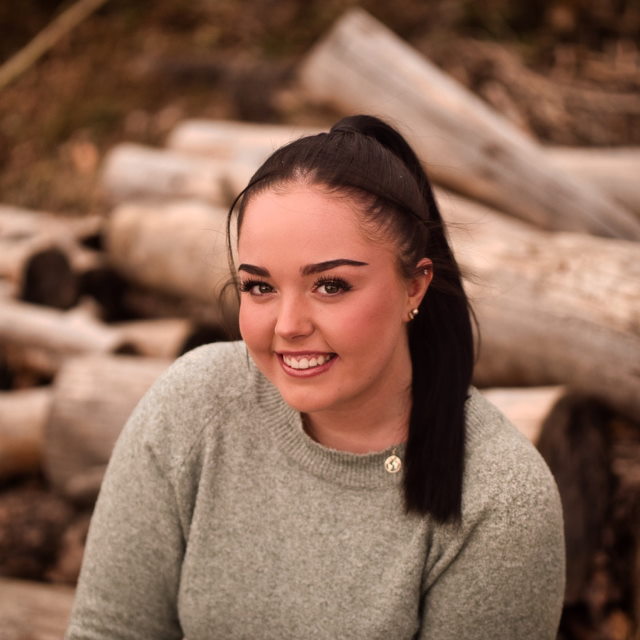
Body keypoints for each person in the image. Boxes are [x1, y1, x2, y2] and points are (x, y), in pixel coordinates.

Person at [66, 115, 565, 639]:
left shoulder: (502, 502)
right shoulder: (195, 406)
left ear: (414, 287)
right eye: (260, 288)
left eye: (330, 286)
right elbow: (108, 630)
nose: (288, 326)